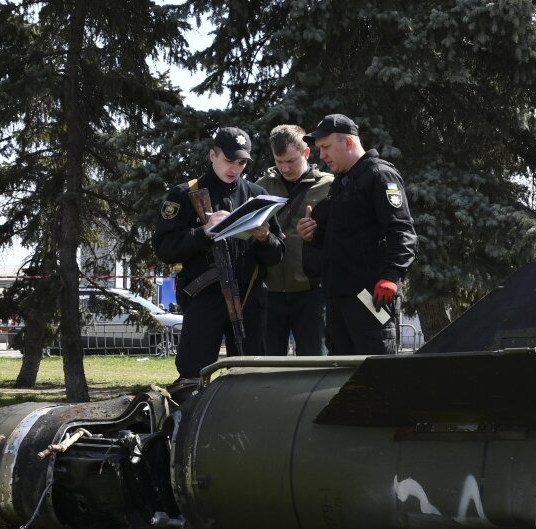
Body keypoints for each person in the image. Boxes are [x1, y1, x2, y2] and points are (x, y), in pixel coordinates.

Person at [152, 126, 285, 381]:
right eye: (229, 160)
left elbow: (277, 255)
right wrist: (204, 232)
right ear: (212, 154)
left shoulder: (258, 196)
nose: (235, 168)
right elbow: (164, 248)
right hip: (205, 298)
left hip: (249, 300)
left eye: (242, 162)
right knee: (193, 375)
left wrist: (265, 238)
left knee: (251, 376)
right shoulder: (185, 194)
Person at [295, 114, 417, 355]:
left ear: (348, 142)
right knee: (340, 377)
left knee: (375, 373)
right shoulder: (342, 182)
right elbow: (344, 237)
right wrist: (313, 235)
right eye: (319, 149)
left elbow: (402, 231)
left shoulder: (380, 175)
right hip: (338, 297)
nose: (322, 156)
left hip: (370, 297)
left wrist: (391, 276)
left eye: (327, 147)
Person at [255, 124, 334, 355]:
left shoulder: (329, 186)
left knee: (314, 363)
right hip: (270, 293)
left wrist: (317, 232)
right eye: (279, 162)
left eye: (291, 161)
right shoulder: (261, 188)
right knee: (266, 366)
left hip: (312, 293)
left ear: (306, 153)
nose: (285, 168)